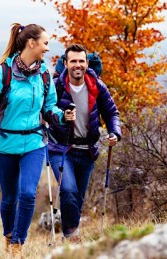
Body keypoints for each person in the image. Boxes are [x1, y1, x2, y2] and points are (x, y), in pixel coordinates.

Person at [0, 23, 71, 256]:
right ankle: (8, 235)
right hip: (5, 143)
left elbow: (50, 108)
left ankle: (18, 243)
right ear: (32, 43)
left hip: (34, 143)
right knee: (9, 198)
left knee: (27, 193)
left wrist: (63, 116)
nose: (47, 48)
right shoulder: (3, 72)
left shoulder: (45, 74)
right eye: (45, 43)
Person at [48, 43, 121, 242]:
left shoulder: (96, 85)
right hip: (61, 148)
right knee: (68, 190)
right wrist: (61, 117)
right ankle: (71, 236)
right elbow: (46, 112)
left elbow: (111, 112)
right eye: (73, 61)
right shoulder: (56, 86)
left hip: (88, 150)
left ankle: (69, 236)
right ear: (66, 63)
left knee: (78, 198)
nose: (77, 65)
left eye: (81, 61)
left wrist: (115, 132)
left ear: (87, 63)